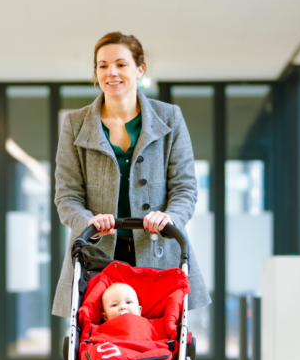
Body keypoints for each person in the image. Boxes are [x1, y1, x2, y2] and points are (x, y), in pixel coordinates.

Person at [53, 31, 210, 319]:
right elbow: (67, 195)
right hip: (99, 256)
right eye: (102, 65)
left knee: (161, 339)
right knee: (97, 339)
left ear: (139, 70)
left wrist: (170, 216)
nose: (111, 72)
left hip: (158, 253)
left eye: (121, 64)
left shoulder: (170, 117)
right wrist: (87, 221)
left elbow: (185, 188)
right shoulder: (75, 124)